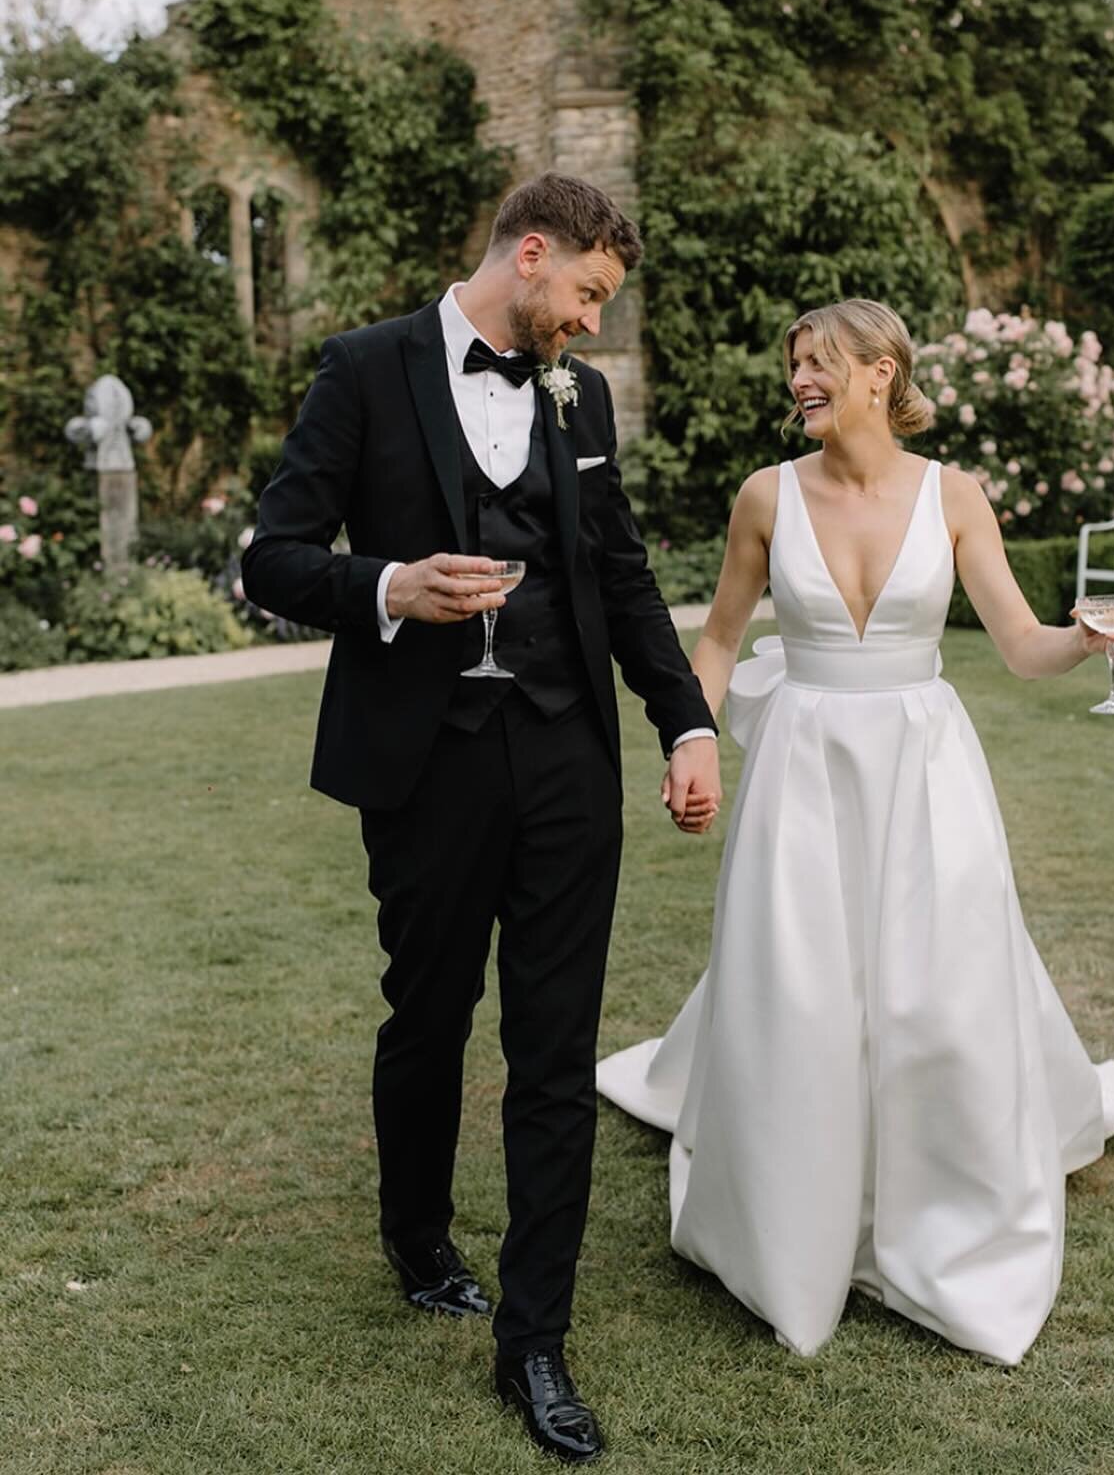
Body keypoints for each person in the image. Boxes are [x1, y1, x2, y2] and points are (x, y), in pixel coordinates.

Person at [242, 172, 721, 1465]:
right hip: (428, 763)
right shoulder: (363, 370)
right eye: (584, 296)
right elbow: (270, 557)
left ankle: (535, 1344)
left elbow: (620, 574)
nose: (589, 327)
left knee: (555, 1050)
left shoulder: (586, 396)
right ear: (528, 255)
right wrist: (390, 582)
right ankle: (415, 1236)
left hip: (566, 757)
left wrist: (684, 721)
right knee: (432, 1012)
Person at [597, 297, 1114, 1367]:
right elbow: (714, 640)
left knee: (934, 981)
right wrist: (687, 739)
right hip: (802, 764)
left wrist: (1083, 640)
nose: (798, 379)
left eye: (817, 363)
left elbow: (1022, 646)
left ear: (881, 372)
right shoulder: (765, 497)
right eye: (792, 364)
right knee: (802, 981)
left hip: (923, 763)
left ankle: (945, 1205)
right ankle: (793, 1211)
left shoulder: (955, 496)